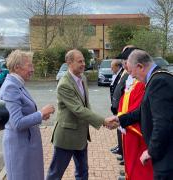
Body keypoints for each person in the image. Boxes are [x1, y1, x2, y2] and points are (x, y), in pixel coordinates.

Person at [46, 49, 115, 180]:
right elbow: (78, 109)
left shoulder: (82, 78)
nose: (83, 64)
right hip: (66, 136)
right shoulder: (64, 84)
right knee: (55, 174)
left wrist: (100, 120)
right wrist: (103, 121)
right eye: (80, 61)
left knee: (83, 172)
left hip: (81, 135)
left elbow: (86, 105)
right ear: (69, 62)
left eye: (84, 60)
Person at [112, 49, 173, 180]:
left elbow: (162, 123)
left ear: (140, 66)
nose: (133, 77)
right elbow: (144, 110)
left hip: (167, 158)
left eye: (133, 73)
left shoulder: (158, 81)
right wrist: (120, 119)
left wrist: (151, 151)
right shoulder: (157, 78)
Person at [0, 50, 55, 180]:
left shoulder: (18, 85)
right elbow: (16, 123)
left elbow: (24, 115)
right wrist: (41, 114)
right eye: (29, 65)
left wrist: (39, 115)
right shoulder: (10, 87)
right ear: (17, 67)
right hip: (20, 148)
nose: (33, 69)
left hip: (26, 146)